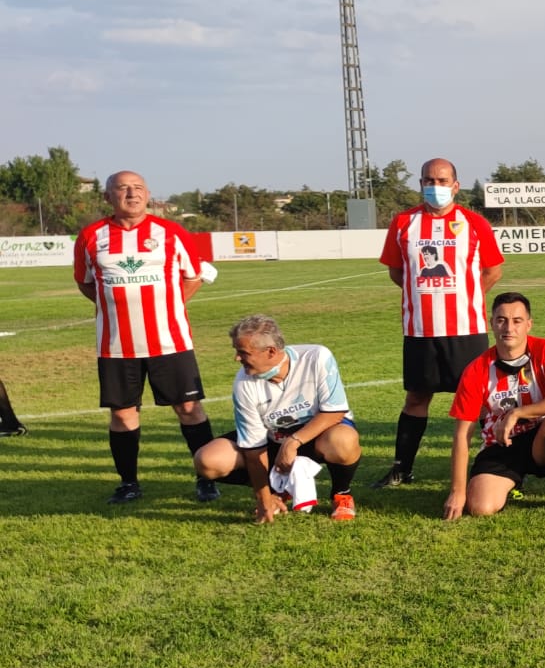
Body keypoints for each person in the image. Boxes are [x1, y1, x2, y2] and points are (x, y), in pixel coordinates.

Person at [72, 170, 218, 504]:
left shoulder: (170, 232)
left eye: (138, 188)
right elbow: (85, 282)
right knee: (122, 414)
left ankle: (207, 477)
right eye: (122, 188)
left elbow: (193, 276)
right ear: (108, 197)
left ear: (148, 195)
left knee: (188, 407)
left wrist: (169, 305)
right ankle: (128, 483)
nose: (131, 193)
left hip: (170, 341)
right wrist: (112, 307)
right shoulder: (91, 236)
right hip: (116, 345)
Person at [373, 157, 503, 489]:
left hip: (466, 329)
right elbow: (396, 271)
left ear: (455, 186)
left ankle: (494, 465)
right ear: (420, 184)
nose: (436, 186)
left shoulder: (474, 223)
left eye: (443, 181)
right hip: (421, 331)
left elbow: (492, 270)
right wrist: (425, 296)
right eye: (429, 180)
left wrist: (465, 297)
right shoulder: (403, 223)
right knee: (416, 398)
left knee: (480, 400)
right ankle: (402, 468)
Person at [193, 314, 361, 522]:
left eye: (242, 352)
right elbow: (254, 449)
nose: (236, 358)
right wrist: (264, 499)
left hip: (318, 437)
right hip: (272, 439)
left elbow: (335, 411)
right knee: (208, 460)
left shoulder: (316, 357)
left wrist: (292, 442)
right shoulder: (244, 383)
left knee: (343, 440)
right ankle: (277, 490)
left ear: (271, 351)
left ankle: (341, 494)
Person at [443, 292, 545, 517]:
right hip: (500, 446)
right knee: (480, 508)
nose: (509, 328)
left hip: (540, 441)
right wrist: (457, 492)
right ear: (492, 324)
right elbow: (462, 435)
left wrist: (516, 413)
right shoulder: (477, 370)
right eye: (501, 320)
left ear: (528, 324)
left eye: (517, 321)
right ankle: (514, 481)